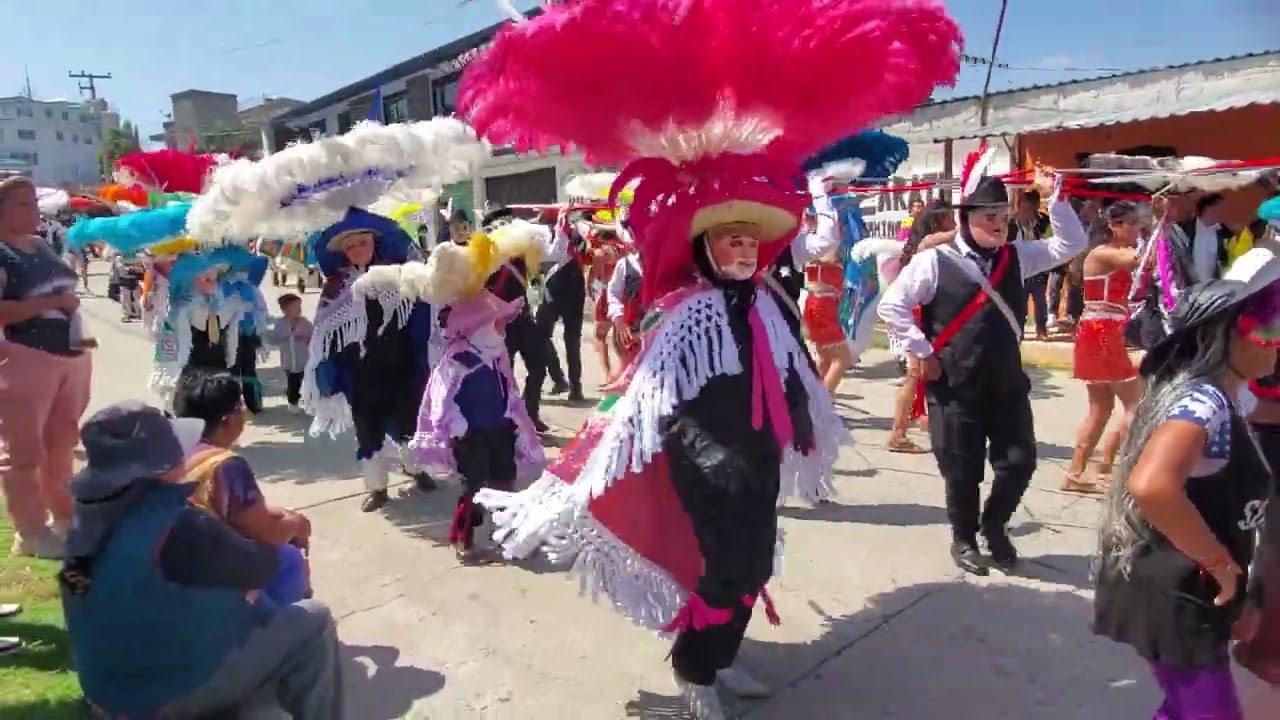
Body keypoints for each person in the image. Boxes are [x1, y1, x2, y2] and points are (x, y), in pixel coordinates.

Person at [455, 0, 959, 716]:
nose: (746, 250)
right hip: (704, 461)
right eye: (731, 241)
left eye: (753, 241)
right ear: (701, 247)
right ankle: (696, 674)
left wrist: (804, 419)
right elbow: (651, 401)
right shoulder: (685, 311)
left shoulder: (761, 304)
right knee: (727, 566)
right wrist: (703, 447)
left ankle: (714, 662)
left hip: (754, 455)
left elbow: (788, 372)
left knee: (749, 564)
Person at [59, 401, 344, 719]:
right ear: (161, 466)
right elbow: (263, 566)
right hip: (161, 696)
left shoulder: (84, 520)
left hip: (106, 691)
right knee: (313, 619)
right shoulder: (178, 526)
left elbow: (85, 591)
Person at [1093, 245, 1280, 720]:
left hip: (1199, 590)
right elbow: (1152, 485)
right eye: (1267, 328)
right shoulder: (1203, 402)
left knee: (1182, 711)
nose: (1277, 340)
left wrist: (1241, 591)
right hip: (1173, 594)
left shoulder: (1233, 400)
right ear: (1224, 337)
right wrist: (1222, 566)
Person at [878, 170, 1088, 576]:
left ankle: (994, 526)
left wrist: (1055, 198)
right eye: (987, 214)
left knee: (1020, 461)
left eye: (1001, 214)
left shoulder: (1018, 255)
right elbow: (893, 307)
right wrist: (923, 351)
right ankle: (964, 539)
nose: (997, 222)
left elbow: (1072, 243)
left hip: (1006, 383)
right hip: (955, 385)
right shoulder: (933, 261)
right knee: (962, 469)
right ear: (965, 217)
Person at [410, 233, 545, 563]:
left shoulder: (496, 355)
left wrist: (515, 414)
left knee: (504, 479)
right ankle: (464, 539)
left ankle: (503, 532)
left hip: (499, 427)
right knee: (474, 487)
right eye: (495, 322)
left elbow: (508, 389)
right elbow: (439, 400)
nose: (502, 327)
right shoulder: (457, 361)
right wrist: (456, 425)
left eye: (501, 321)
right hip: (471, 434)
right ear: (473, 328)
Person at [307, 207, 438, 511]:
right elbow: (324, 333)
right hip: (361, 371)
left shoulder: (400, 273)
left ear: (375, 243)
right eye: (349, 247)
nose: (356, 250)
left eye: (361, 243)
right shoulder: (335, 286)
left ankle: (417, 469)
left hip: (402, 363)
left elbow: (422, 315)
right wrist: (328, 370)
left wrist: (425, 352)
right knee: (368, 427)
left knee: (411, 420)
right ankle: (377, 488)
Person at [0, 176, 93, 559]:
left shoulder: (40, 245)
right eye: (21, 204)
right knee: (23, 451)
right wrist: (47, 304)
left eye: (33, 203)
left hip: (68, 354)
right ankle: (31, 532)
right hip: (23, 354)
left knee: (62, 444)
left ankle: (65, 518)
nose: (33, 210)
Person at [174, 371, 312, 606]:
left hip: (178, 564)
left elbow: (240, 513)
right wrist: (298, 524)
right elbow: (268, 534)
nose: (245, 413)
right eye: (240, 406)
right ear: (228, 419)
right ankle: (281, 626)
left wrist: (279, 515)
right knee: (289, 557)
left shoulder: (174, 452)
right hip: (212, 579)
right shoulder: (225, 466)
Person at [1065, 201, 1144, 493]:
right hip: (1102, 332)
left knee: (1101, 408)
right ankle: (1109, 466)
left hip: (1101, 331)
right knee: (1137, 405)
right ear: (1114, 226)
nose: (1138, 228)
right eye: (1132, 223)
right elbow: (1141, 261)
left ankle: (1079, 472)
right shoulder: (1104, 253)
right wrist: (1164, 220)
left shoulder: (1112, 253)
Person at [885, 200, 955, 453]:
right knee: (914, 374)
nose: (955, 221)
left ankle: (917, 421)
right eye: (950, 217)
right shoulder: (933, 241)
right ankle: (898, 433)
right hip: (916, 315)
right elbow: (962, 234)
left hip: (917, 313)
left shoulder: (922, 243)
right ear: (939, 221)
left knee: (917, 375)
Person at [478, 207, 553, 433]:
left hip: (523, 319)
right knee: (504, 375)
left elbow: (548, 254)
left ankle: (530, 413)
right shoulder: (486, 256)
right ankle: (508, 420)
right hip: (499, 324)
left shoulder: (522, 255)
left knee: (539, 366)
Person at [536, 212, 590, 402]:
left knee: (571, 340)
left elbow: (583, 252)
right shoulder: (552, 237)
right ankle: (561, 380)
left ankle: (574, 385)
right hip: (556, 291)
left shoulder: (576, 235)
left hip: (570, 291)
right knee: (541, 334)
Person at [1011, 189, 1054, 341]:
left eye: (1030, 208)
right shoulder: (1011, 223)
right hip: (1019, 270)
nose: (1026, 212)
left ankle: (1041, 330)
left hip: (1039, 269)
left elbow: (1051, 241)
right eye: (1024, 208)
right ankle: (1019, 331)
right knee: (1020, 302)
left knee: (1040, 300)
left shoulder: (1043, 222)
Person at [268, 292, 312, 412]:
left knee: (307, 381)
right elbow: (274, 340)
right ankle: (292, 400)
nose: (299, 310)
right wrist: (286, 339)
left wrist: (305, 339)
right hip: (288, 361)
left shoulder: (304, 323)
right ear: (285, 310)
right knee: (293, 382)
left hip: (304, 359)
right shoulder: (280, 324)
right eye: (296, 307)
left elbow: (313, 337)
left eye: (300, 307)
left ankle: (307, 399)